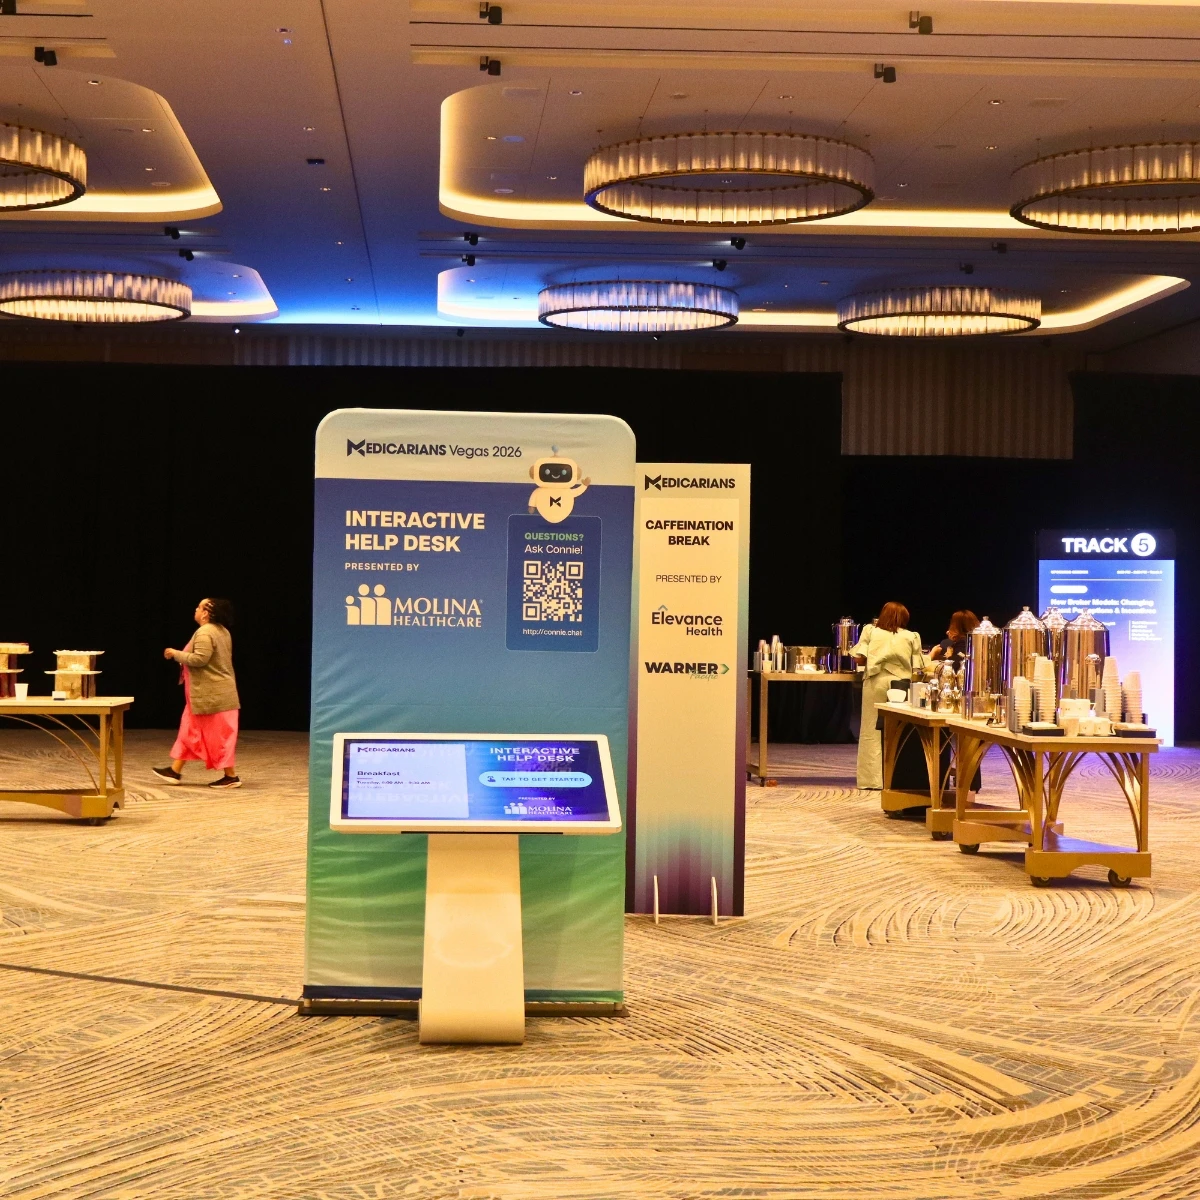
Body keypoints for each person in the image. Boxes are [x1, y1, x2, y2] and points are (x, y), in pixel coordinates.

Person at [153, 598, 242, 789]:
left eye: (200, 607)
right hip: (208, 695)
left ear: (206, 613)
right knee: (189, 731)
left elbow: (200, 659)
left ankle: (231, 776)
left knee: (218, 737)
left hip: (213, 697)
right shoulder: (222, 631)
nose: (196, 609)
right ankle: (175, 771)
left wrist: (175, 653)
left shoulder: (205, 632)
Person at [851, 602, 925, 790]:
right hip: (900, 685)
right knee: (898, 730)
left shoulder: (870, 631)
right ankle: (897, 778)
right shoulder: (911, 636)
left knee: (871, 729)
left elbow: (859, 658)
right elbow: (918, 666)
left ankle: (872, 780)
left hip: (876, 682)